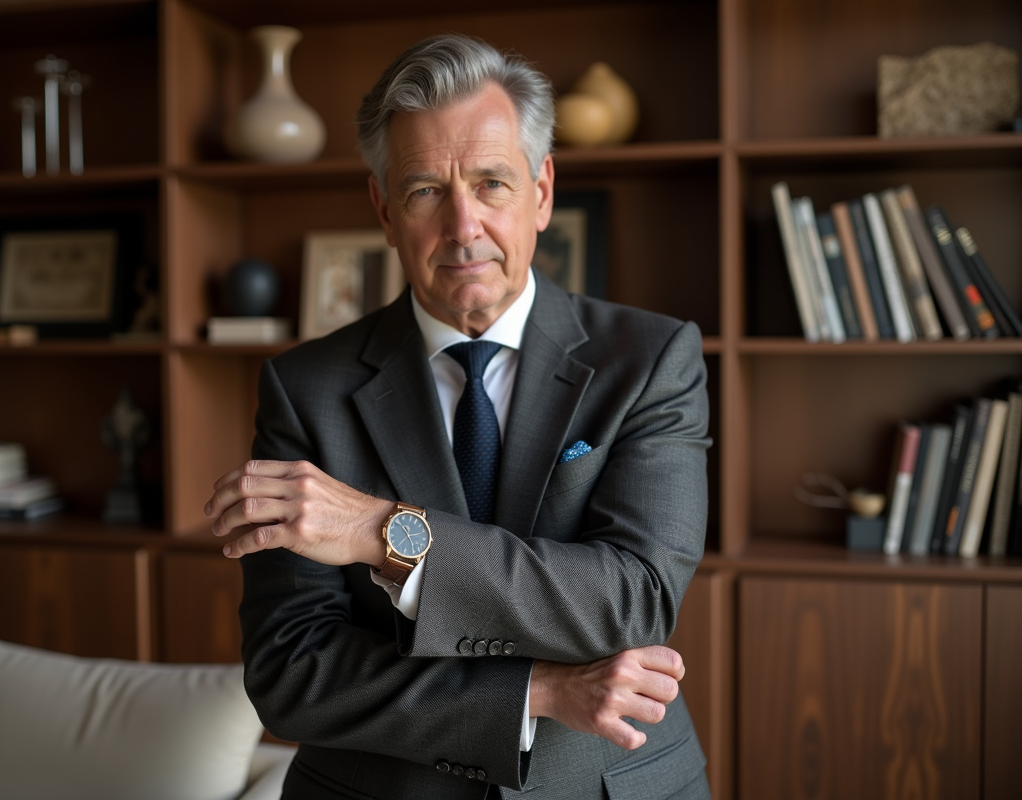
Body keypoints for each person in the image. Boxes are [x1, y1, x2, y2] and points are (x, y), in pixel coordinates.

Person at [203, 33, 711, 800]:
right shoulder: (305, 388)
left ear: (541, 191)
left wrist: (382, 533)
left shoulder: (651, 360)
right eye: (425, 191)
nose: (463, 226)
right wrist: (531, 693)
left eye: (492, 183)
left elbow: (632, 600)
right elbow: (291, 673)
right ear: (383, 209)